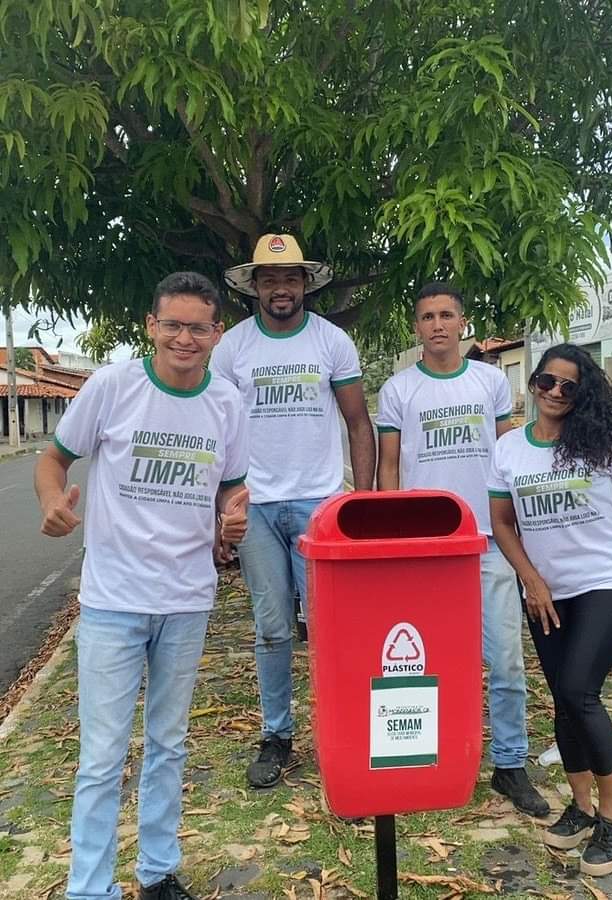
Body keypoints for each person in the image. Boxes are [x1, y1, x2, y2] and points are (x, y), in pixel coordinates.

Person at [35, 272, 250, 900]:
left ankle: (158, 871)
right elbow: (54, 458)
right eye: (173, 325)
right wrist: (52, 502)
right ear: (152, 327)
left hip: (186, 599)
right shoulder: (113, 386)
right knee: (102, 758)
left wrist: (232, 519)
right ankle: (90, 887)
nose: (185, 338)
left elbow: (233, 488)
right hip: (112, 602)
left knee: (168, 744)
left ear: (217, 333)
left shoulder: (226, 403)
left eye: (199, 327)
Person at [376, 282, 550, 817]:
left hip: (487, 542)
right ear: (416, 327)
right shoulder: (398, 390)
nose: (437, 325)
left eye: (446, 314)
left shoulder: (491, 381)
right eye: (426, 316)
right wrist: (390, 535)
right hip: (426, 546)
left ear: (462, 322)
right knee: (429, 660)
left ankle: (510, 763)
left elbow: (509, 453)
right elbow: (389, 466)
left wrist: (518, 524)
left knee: (504, 659)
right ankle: (438, 753)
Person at [488, 342, 612, 876]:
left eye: (570, 386)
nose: (557, 393)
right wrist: (532, 578)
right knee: (562, 697)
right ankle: (582, 806)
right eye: (548, 382)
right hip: (546, 590)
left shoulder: (606, 441)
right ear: (533, 383)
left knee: (580, 691)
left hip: (609, 582)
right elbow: (502, 523)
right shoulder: (510, 448)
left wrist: (611, 544)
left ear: (582, 395)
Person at [212, 234, 376, 789]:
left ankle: (344, 729)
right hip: (255, 505)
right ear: (254, 286)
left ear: (305, 283)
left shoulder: (332, 342)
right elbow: (219, 433)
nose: (280, 288)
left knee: (331, 627)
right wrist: (222, 509)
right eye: (269, 279)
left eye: (290, 278)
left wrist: (362, 504)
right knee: (273, 628)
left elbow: (358, 423)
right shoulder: (232, 349)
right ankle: (277, 735)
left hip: (320, 504)